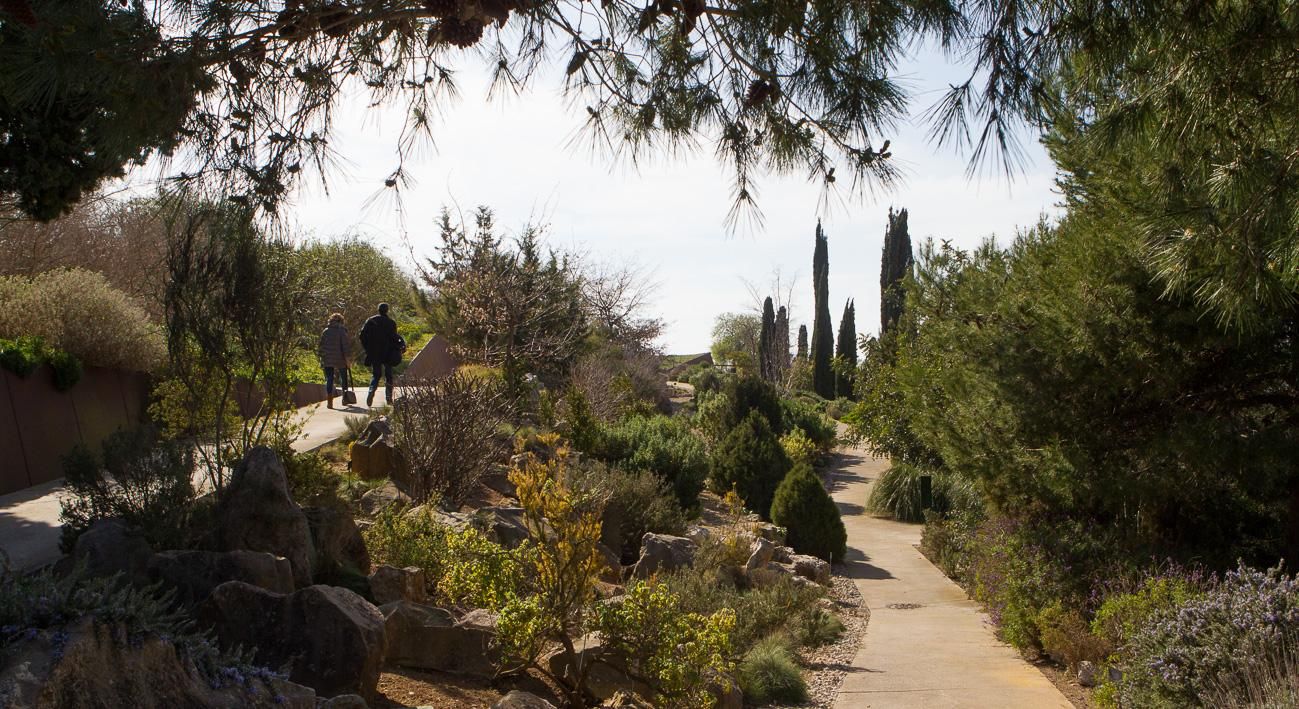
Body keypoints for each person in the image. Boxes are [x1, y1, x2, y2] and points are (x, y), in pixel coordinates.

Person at [359, 302, 405, 407]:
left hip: (374, 353)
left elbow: (362, 336)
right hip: (388, 352)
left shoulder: (370, 321)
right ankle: (389, 399)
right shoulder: (391, 323)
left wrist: (368, 348)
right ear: (387, 310)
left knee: (376, 374)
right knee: (389, 375)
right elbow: (394, 337)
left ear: (378, 309)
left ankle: (371, 391)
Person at [317, 313, 351, 409]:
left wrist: (321, 357)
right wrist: (347, 359)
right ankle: (345, 398)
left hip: (328, 358)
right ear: (341, 321)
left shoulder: (326, 331)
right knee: (343, 377)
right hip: (340, 359)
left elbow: (321, 346)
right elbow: (345, 346)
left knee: (329, 378)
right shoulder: (342, 331)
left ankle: (329, 401)